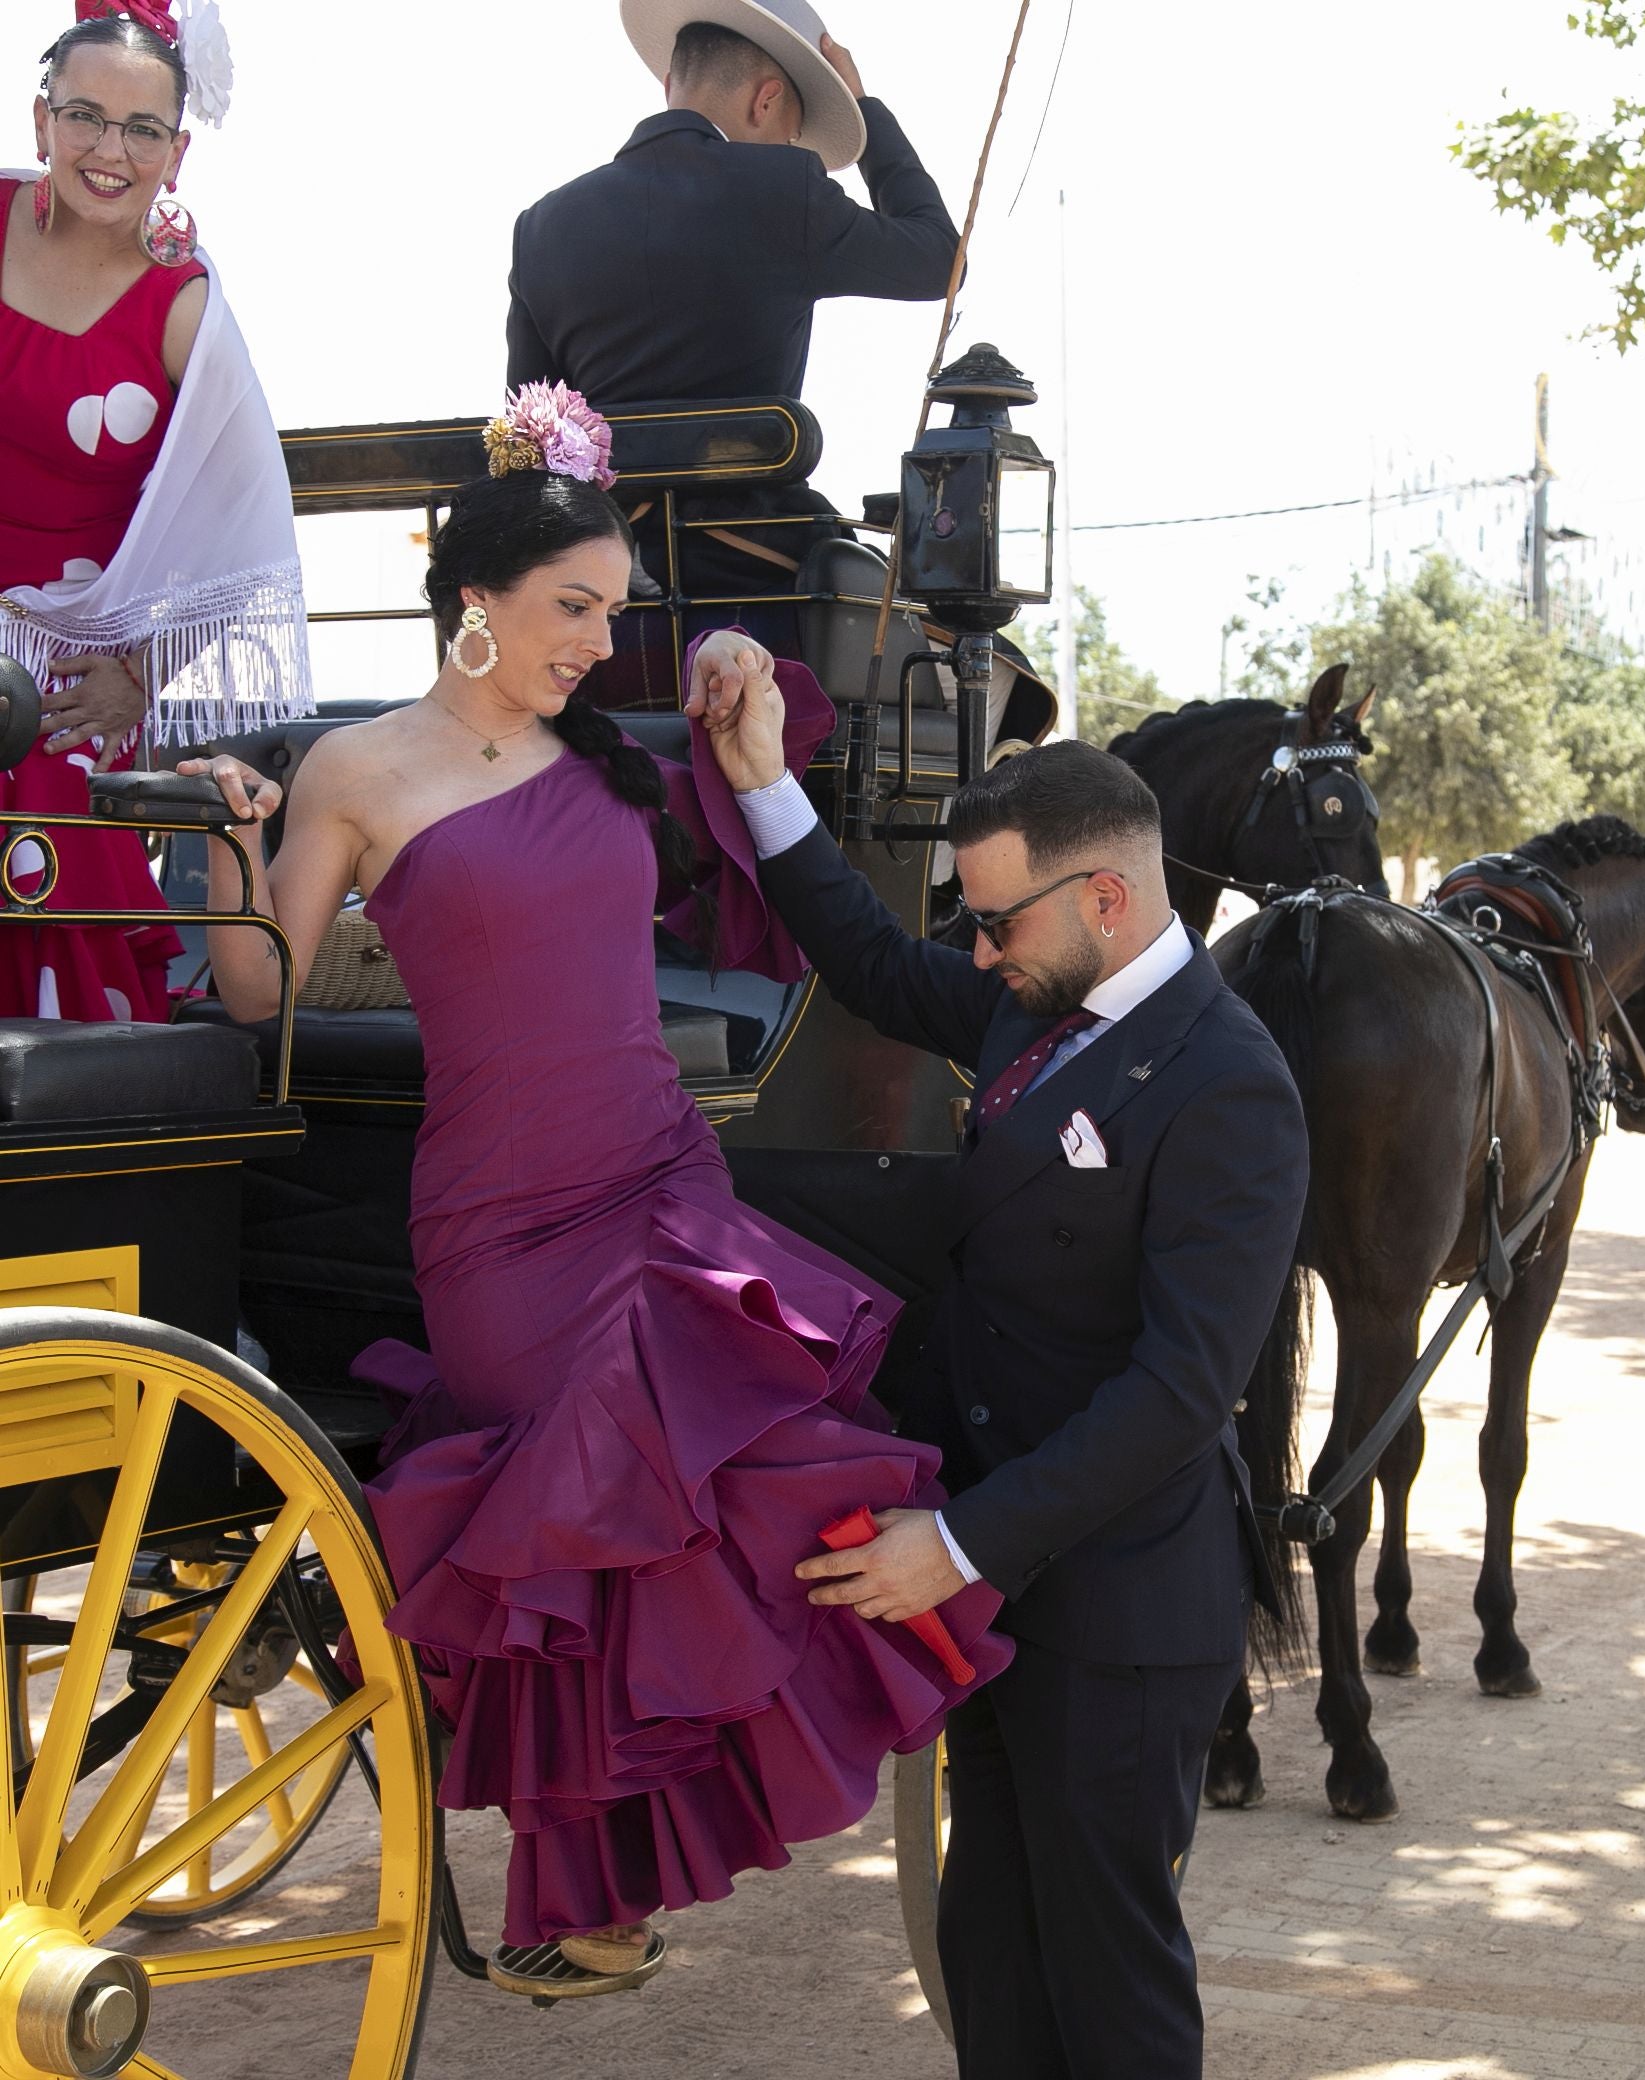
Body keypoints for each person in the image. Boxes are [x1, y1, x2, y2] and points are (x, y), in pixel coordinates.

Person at [182, 399, 1008, 1997]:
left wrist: (742, 683)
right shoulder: (351, 768)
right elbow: (251, 1003)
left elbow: (757, 797)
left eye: (615, 614)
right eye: (575, 608)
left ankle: (629, 1875)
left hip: (657, 1174)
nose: (594, 640)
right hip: (496, 1223)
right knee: (581, 1514)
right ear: (474, 601)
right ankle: (584, 1893)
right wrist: (234, 846)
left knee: (769, 1463)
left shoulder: (609, 761)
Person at [699, 660, 1308, 2080]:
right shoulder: (1027, 993)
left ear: (1103, 897)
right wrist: (758, 776)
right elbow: (862, 957)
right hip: (1000, 1602)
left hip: (1118, 1612)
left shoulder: (1231, 1086)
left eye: (991, 920)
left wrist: (960, 1547)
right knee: (992, 1960)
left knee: (1108, 1988)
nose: (972, 952)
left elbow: (1176, 1391)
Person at [0, 5, 310, 1022]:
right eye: (85, 116)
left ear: (177, 153)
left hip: (60, 679)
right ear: (41, 123)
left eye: (142, 130)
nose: (109, 150)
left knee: (30, 784)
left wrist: (142, 681)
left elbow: (246, 544)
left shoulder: (186, 312)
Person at [506, 0, 958, 694]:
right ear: (767, 98)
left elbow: (529, 425)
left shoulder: (543, 225)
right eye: (792, 129)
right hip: (764, 585)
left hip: (602, 599)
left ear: (668, 88)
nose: (788, 146)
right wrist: (866, 111)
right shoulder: (782, 189)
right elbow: (937, 259)